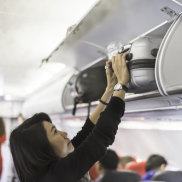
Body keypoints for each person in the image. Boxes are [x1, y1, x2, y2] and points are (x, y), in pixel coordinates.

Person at [10, 53, 129, 182]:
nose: (64, 133)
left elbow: (86, 132)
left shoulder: (51, 168)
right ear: (43, 149)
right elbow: (101, 137)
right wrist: (121, 84)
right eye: (55, 132)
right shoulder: (55, 177)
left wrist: (110, 89)